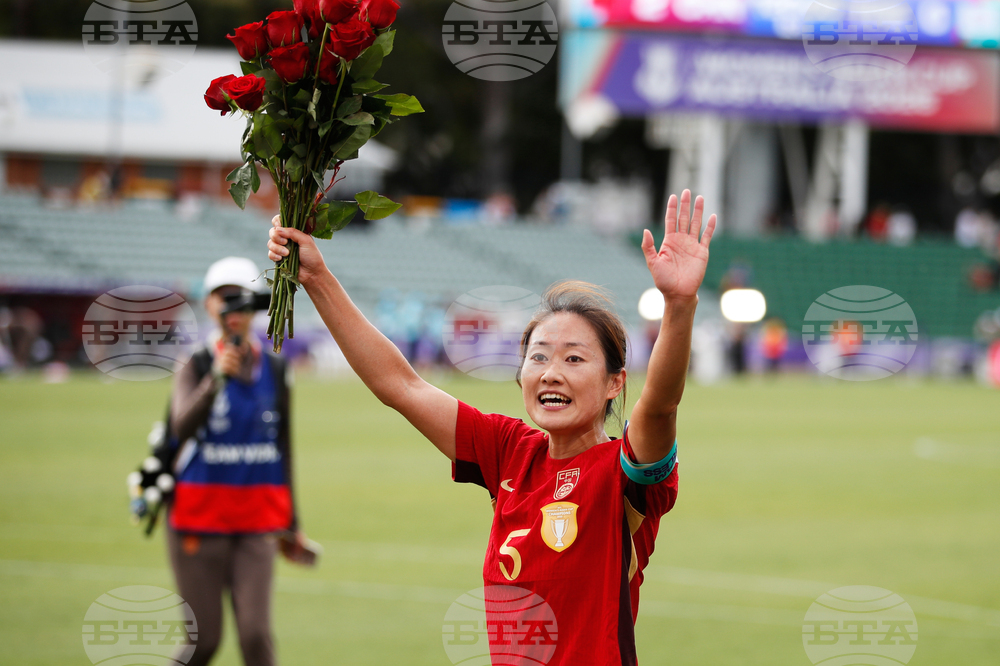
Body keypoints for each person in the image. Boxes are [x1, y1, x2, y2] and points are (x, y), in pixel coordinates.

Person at [266, 190, 716, 665]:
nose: (551, 373)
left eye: (574, 359)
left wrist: (679, 304)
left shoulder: (625, 471)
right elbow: (401, 386)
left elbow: (659, 407)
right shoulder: (509, 450)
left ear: (614, 383)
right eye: (538, 357)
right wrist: (316, 277)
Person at [166, 256, 306, 666]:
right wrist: (215, 380)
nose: (234, 310)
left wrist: (292, 522)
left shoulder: (275, 367)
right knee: (204, 642)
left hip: (257, 520)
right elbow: (180, 427)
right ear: (208, 304)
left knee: (256, 637)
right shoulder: (196, 363)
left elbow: (284, 447)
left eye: (242, 299)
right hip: (199, 516)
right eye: (224, 298)